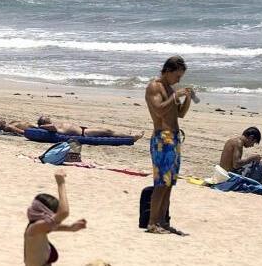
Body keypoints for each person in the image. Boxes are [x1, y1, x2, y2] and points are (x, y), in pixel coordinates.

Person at [144, 56, 193, 235]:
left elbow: (180, 114)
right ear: (168, 71)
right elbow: (159, 109)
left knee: (169, 183)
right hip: (162, 139)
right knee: (161, 183)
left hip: (173, 138)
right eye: (177, 76)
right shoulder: (154, 86)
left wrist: (186, 98)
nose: (179, 80)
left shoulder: (169, 88)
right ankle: (152, 223)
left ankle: (162, 221)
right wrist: (175, 96)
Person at [24, 171, 87, 266]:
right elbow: (64, 213)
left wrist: (71, 228)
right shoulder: (34, 229)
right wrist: (61, 183)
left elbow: (54, 226)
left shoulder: (37, 229)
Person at [220, 127, 262, 191]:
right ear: (251, 137)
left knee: (256, 166)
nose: (252, 145)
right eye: (253, 142)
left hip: (224, 173)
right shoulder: (239, 143)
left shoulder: (232, 140)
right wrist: (252, 158)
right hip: (231, 176)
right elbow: (236, 164)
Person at [36, 116, 144, 140]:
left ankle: (128, 134)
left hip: (85, 130)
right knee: (108, 131)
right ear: (44, 122)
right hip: (84, 134)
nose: (49, 118)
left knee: (107, 131)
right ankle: (132, 136)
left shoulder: (54, 125)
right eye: (47, 118)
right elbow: (53, 129)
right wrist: (41, 126)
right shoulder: (51, 127)